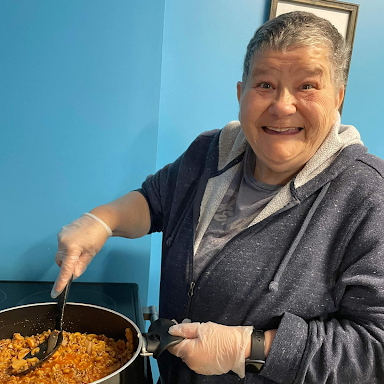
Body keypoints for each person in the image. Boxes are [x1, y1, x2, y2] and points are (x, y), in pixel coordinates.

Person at [51, 11, 384, 384]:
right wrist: (101, 221)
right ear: (241, 93)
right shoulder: (211, 150)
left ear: (338, 98)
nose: (282, 105)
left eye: (307, 86)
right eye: (265, 85)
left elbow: (375, 349)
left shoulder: (368, 196)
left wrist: (248, 349)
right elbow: (153, 201)